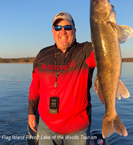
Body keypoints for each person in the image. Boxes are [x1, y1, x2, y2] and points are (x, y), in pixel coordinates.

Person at [28, 12, 96, 145]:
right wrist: (31, 112)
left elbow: (106, 46)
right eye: (58, 28)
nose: (63, 31)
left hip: (78, 129)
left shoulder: (87, 51)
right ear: (53, 32)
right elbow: (35, 87)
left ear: (74, 31)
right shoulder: (42, 55)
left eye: (67, 27)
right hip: (46, 126)